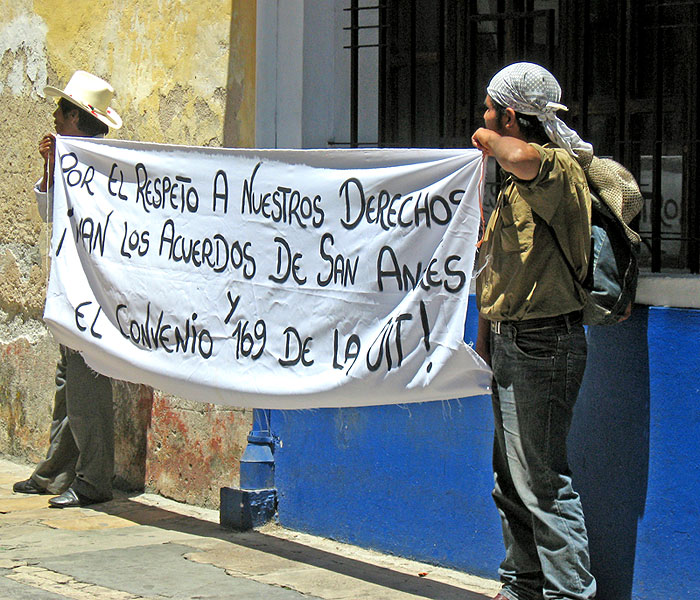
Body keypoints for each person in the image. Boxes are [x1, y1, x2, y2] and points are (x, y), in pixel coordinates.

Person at [472, 62, 597, 600]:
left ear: (513, 116)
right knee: (511, 481)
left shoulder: (555, 169)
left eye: (490, 109)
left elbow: (520, 155)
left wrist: (486, 139)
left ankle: (569, 594)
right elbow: (495, 266)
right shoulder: (510, 187)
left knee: (543, 483)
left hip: (544, 345)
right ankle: (521, 585)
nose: (482, 118)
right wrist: (485, 334)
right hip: (508, 340)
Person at [13, 71, 123, 508]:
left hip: (89, 295)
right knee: (69, 382)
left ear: (77, 118)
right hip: (69, 287)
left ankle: (94, 479)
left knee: (86, 382)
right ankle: (58, 471)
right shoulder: (71, 161)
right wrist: (50, 169)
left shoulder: (103, 165)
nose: (55, 117)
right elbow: (50, 214)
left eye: (62, 110)